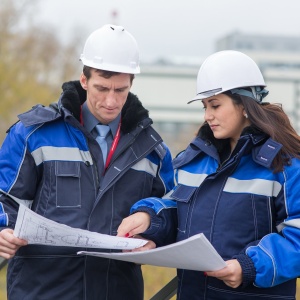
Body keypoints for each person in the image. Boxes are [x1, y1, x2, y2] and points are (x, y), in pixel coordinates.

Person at [0, 24, 174, 300]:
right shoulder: (34, 134)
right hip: (42, 292)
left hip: (117, 291)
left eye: (121, 90)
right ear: (83, 80)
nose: (110, 101)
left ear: (131, 83)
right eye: (102, 88)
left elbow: (174, 208)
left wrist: (152, 221)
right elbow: (5, 199)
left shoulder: (153, 151)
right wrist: (2, 230)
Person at [117, 50, 300, 299]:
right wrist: (150, 219)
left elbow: (297, 237)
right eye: (205, 107)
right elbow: (178, 208)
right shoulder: (194, 161)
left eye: (215, 105)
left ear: (244, 105)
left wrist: (250, 267)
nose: (207, 116)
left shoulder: (286, 165)